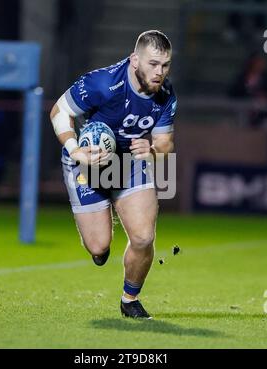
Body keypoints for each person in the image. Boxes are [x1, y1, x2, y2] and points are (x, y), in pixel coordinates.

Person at [50, 30, 177, 319]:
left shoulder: (166, 94)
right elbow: (59, 111)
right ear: (135, 60)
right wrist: (74, 149)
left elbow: (166, 143)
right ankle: (99, 242)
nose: (160, 72)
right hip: (86, 162)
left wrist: (153, 151)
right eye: (153, 64)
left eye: (165, 65)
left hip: (128, 163)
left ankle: (129, 299)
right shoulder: (103, 83)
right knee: (98, 246)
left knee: (144, 238)